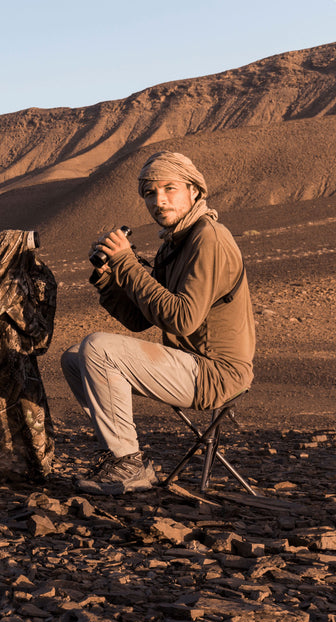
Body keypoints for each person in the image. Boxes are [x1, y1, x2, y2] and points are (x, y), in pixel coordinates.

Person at [61, 151, 255, 495]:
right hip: (189, 366)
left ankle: (128, 466)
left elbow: (181, 319)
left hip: (216, 373)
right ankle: (115, 455)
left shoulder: (208, 237)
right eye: (150, 193)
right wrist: (110, 278)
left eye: (170, 189)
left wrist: (128, 264)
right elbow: (139, 320)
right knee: (75, 358)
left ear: (195, 190)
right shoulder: (174, 244)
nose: (159, 200)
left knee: (98, 347)